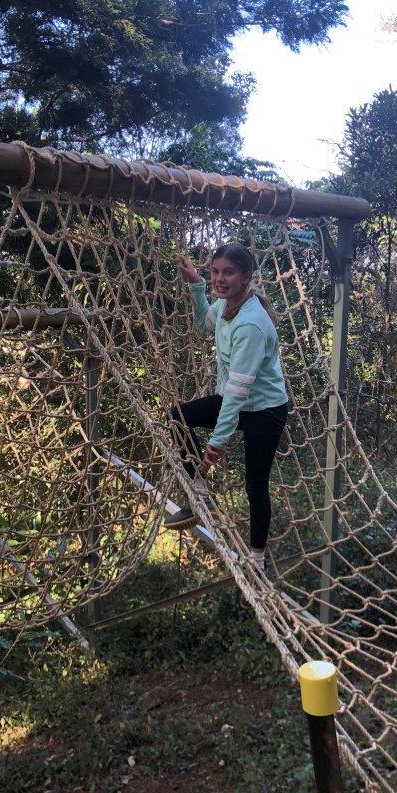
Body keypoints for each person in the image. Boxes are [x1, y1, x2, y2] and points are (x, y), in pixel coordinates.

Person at [165, 243, 289, 578]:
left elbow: (236, 393)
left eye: (229, 272)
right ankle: (200, 494)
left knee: (255, 484)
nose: (220, 279)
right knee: (179, 417)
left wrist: (216, 443)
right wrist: (196, 285)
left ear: (246, 276)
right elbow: (205, 325)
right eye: (215, 271)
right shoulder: (225, 305)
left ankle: (257, 560)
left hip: (265, 409)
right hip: (237, 399)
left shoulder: (251, 324)